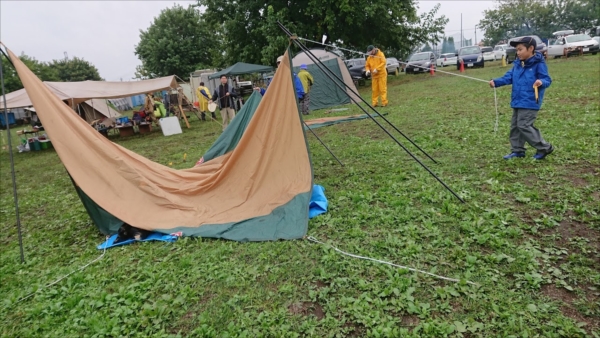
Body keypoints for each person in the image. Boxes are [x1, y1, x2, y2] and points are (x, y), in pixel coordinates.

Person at [489, 36, 554, 160]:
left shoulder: (538, 64)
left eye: (520, 49)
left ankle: (544, 147)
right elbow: (508, 77)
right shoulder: (518, 65)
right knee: (515, 126)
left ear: (531, 48)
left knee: (524, 125)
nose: (517, 52)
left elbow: (547, 79)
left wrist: (541, 82)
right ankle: (518, 150)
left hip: (530, 101)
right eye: (516, 50)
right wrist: (495, 82)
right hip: (517, 100)